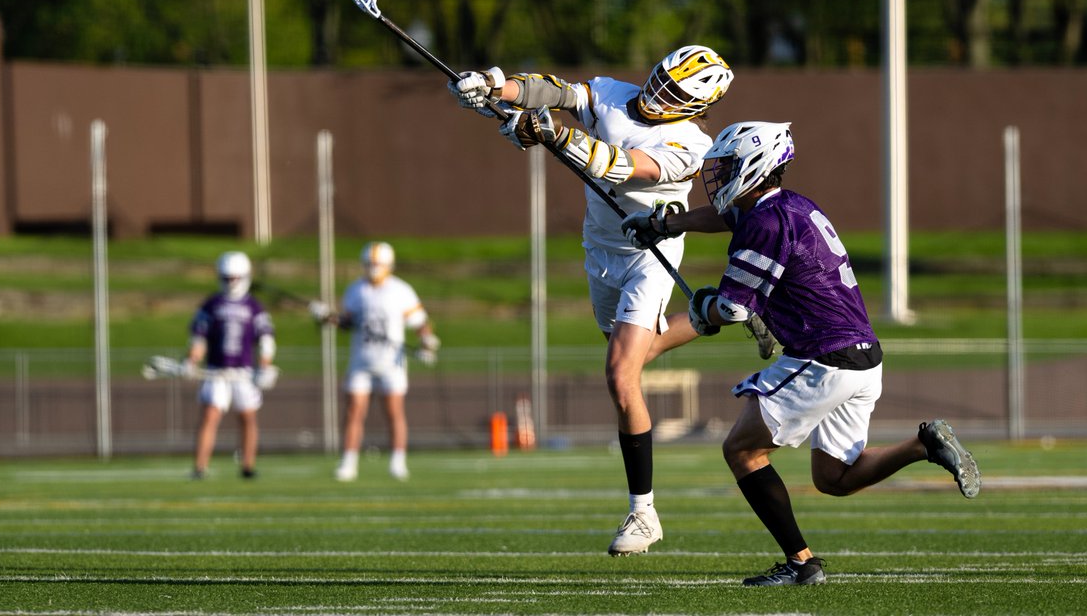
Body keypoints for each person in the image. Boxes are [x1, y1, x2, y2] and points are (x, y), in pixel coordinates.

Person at [621, 120, 981, 585]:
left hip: (823, 356)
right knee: (834, 477)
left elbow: (731, 308)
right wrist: (665, 223)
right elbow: (723, 217)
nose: (721, 173)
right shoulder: (791, 206)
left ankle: (800, 563)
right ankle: (923, 444)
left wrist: (704, 306)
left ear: (756, 166)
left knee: (742, 451)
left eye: (729, 165)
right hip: (863, 357)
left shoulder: (765, 225)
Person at [448, 46, 733, 555]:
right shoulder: (611, 93)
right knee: (629, 360)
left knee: (620, 378)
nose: (657, 95)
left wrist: (550, 133)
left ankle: (642, 513)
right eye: (659, 80)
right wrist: (494, 87)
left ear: (695, 107)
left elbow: (622, 167)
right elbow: (553, 90)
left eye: (674, 93)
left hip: (650, 252)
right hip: (599, 247)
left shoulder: (691, 145)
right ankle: (714, 313)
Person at [311, 241, 441, 482]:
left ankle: (398, 462)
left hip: (392, 362)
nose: (372, 268)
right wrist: (326, 317)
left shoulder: (401, 290)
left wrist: (427, 343)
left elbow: (420, 322)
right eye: (368, 264)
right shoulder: (356, 290)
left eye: (376, 264)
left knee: (394, 412)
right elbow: (347, 323)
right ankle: (348, 462)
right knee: (354, 411)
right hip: (361, 360)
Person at [186, 250, 277, 480]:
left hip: (243, 372)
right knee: (210, 415)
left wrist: (265, 365)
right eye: (227, 278)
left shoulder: (254, 307)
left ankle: (248, 466)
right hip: (216, 371)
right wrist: (192, 360)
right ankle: (200, 467)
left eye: (235, 278)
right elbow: (199, 338)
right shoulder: (211, 305)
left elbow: (265, 339)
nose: (231, 283)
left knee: (248, 417)